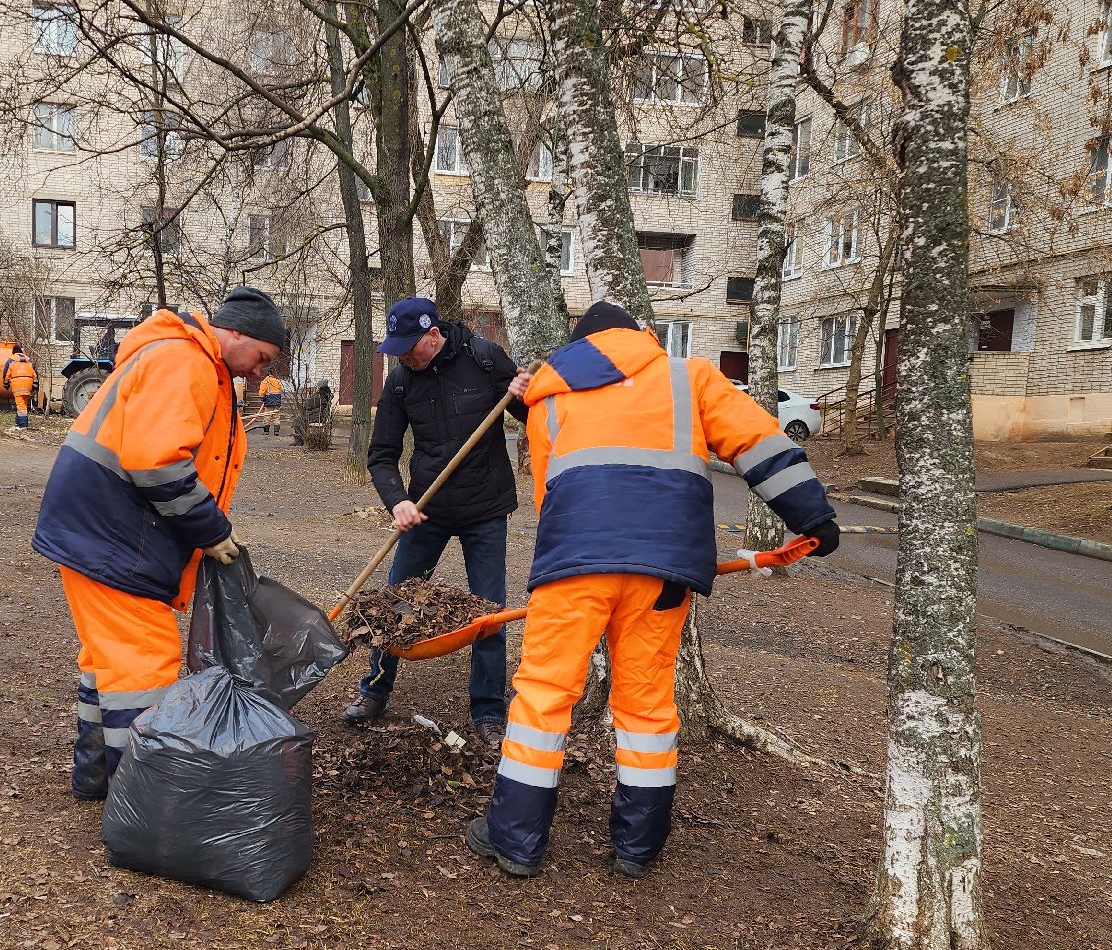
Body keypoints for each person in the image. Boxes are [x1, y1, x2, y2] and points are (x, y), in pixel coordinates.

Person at [466, 302, 842, 880]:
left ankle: (514, 840)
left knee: (543, 694)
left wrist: (528, 402)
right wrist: (811, 516)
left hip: (575, 566)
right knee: (646, 702)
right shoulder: (687, 376)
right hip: (664, 570)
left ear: (579, 349)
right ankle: (637, 847)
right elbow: (759, 444)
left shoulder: (549, 395)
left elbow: (550, 491)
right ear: (642, 335)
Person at [32, 286, 287, 801]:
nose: (262, 372)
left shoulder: (192, 362)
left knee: (108, 660)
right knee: (146, 662)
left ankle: (97, 778)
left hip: (103, 530)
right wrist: (211, 531)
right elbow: (157, 461)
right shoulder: (184, 362)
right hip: (113, 537)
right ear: (235, 333)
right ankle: (144, 802)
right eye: (262, 357)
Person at [342, 297, 526, 748]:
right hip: (427, 508)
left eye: (409, 346)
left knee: (489, 614)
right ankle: (375, 690)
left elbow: (531, 417)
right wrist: (397, 501)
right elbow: (381, 454)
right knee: (392, 605)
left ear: (433, 334)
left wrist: (528, 395)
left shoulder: (485, 359)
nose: (401, 355)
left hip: (485, 508)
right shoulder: (403, 380)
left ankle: (487, 711)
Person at [3, 344, 37, 428]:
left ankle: (23, 424)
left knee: (20, 405)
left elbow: (6, 375)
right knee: (23, 404)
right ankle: (18, 423)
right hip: (28, 385)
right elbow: (35, 375)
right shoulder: (29, 361)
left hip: (17, 385)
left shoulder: (10, 361)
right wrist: (35, 386)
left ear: (13, 352)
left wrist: (6, 385)